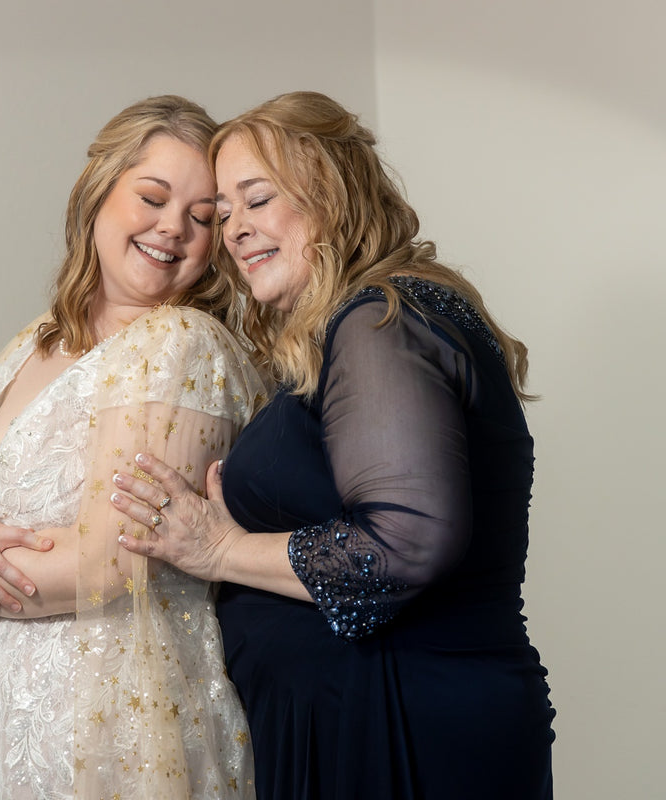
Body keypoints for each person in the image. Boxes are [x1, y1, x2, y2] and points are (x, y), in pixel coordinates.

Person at [111, 91, 556, 799]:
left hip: (395, 720)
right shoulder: (362, 328)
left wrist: (219, 550)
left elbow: (405, 544)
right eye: (223, 214)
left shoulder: (380, 321)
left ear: (333, 193)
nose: (234, 231)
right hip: (366, 712)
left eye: (256, 201)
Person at [0, 95, 262, 800]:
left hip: (100, 739)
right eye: (151, 197)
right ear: (97, 194)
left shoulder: (179, 344)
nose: (173, 229)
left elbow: (108, 563)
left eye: (203, 218)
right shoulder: (33, 341)